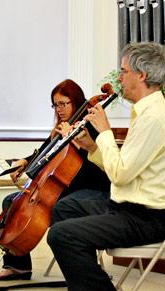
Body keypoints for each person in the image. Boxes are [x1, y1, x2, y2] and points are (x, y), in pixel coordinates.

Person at [47, 42, 165, 291]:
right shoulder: (146, 112)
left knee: (62, 235)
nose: (119, 77)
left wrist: (105, 131)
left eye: (123, 71)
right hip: (126, 205)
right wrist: (92, 146)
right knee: (66, 207)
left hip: (146, 216)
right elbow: (122, 166)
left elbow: (120, 175)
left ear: (141, 75)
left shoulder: (154, 117)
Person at [0, 79, 111, 281]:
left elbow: (100, 166)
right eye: (55, 105)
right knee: (12, 201)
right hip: (64, 188)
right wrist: (26, 160)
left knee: (66, 207)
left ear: (76, 101)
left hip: (91, 188)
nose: (59, 109)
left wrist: (75, 142)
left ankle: (84, 270)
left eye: (63, 103)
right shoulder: (62, 127)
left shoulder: (91, 125)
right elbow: (46, 152)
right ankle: (18, 266)